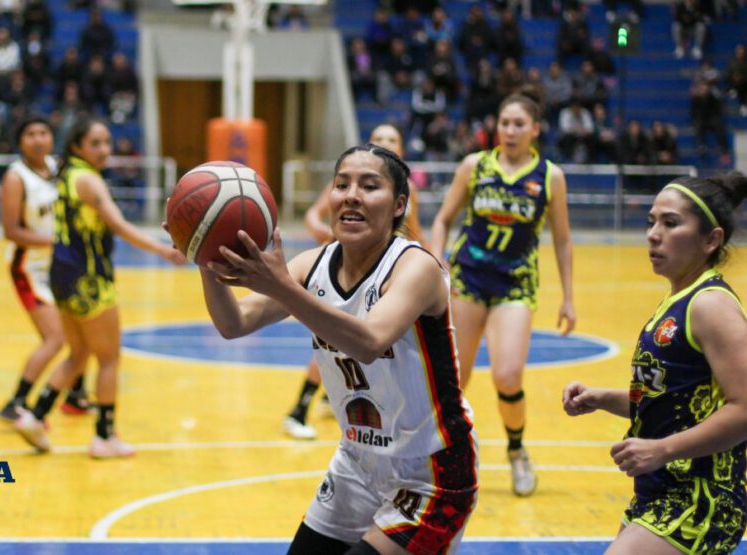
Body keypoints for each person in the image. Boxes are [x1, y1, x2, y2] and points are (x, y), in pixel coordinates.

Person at [198, 143, 477, 554]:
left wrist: (282, 287)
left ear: (399, 205)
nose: (352, 194)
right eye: (342, 183)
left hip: (431, 473)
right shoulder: (313, 265)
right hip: (357, 466)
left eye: (369, 186)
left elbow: (369, 341)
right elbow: (233, 323)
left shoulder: (416, 268)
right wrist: (205, 253)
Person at [563, 173, 747, 555]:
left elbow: (744, 410)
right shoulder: (678, 300)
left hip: (700, 498)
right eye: (651, 222)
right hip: (659, 491)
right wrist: (602, 398)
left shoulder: (711, 305)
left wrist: (662, 450)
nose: (653, 233)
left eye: (671, 223)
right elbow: (678, 402)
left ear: (711, 239)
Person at [430, 91, 576, 497]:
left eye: (518, 124)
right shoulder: (474, 167)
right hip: (468, 279)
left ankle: (516, 451)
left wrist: (568, 297)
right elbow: (443, 219)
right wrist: (436, 260)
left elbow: (563, 241)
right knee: (456, 375)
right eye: (504, 123)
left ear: (535, 129)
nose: (509, 131)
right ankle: (442, 454)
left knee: (508, 373)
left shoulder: (551, 177)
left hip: (515, 282)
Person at [13, 117, 185, 458]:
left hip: (62, 277)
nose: (104, 149)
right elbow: (119, 225)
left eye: (107, 142)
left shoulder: (67, 175)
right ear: (77, 146)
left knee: (78, 355)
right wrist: (163, 249)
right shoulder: (89, 181)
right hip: (89, 280)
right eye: (95, 143)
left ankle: (35, 415)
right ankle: (105, 435)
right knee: (109, 359)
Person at [284, 123, 426, 441]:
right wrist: (329, 234)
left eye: (392, 139)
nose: (385, 143)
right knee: (336, 341)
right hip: (356, 269)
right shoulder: (351, 184)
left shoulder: (407, 191)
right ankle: (299, 408)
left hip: (393, 275)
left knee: (386, 349)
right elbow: (313, 216)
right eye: (379, 139)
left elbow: (415, 231)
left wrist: (436, 264)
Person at [0, 116, 92, 422]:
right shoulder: (16, 177)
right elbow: (11, 231)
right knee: (56, 338)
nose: (38, 139)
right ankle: (17, 400)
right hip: (29, 268)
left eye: (43, 133)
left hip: (60, 265)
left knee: (80, 331)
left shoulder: (58, 169)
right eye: (30, 134)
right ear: (20, 141)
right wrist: (56, 242)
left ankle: (75, 395)